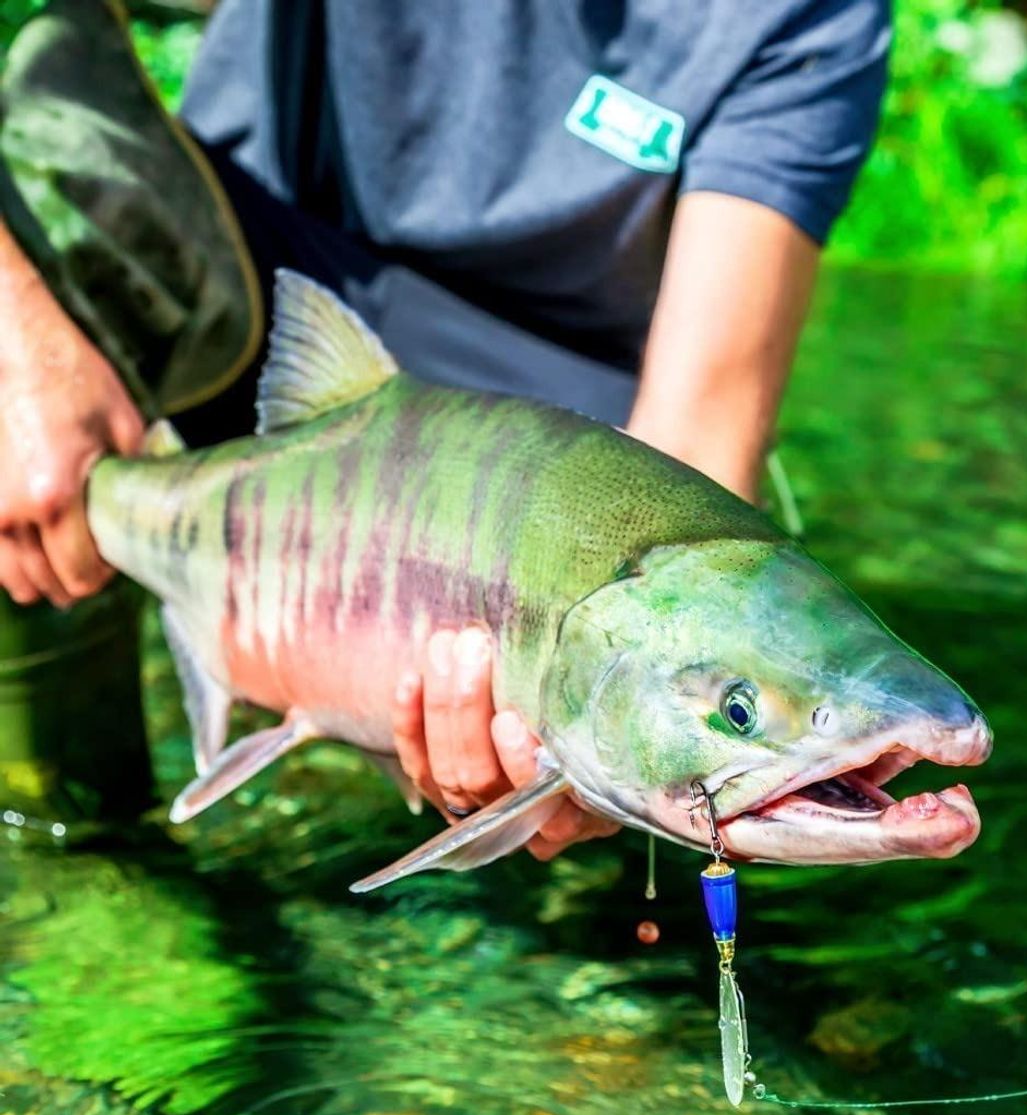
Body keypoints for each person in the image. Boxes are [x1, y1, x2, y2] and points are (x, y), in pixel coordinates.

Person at [0, 0, 890, 857]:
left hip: (562, 444)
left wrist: (602, 755)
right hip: (235, 287)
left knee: (654, 705)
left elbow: (699, 436)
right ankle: (74, 835)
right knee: (47, 161)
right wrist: (17, 350)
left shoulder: (806, 13)